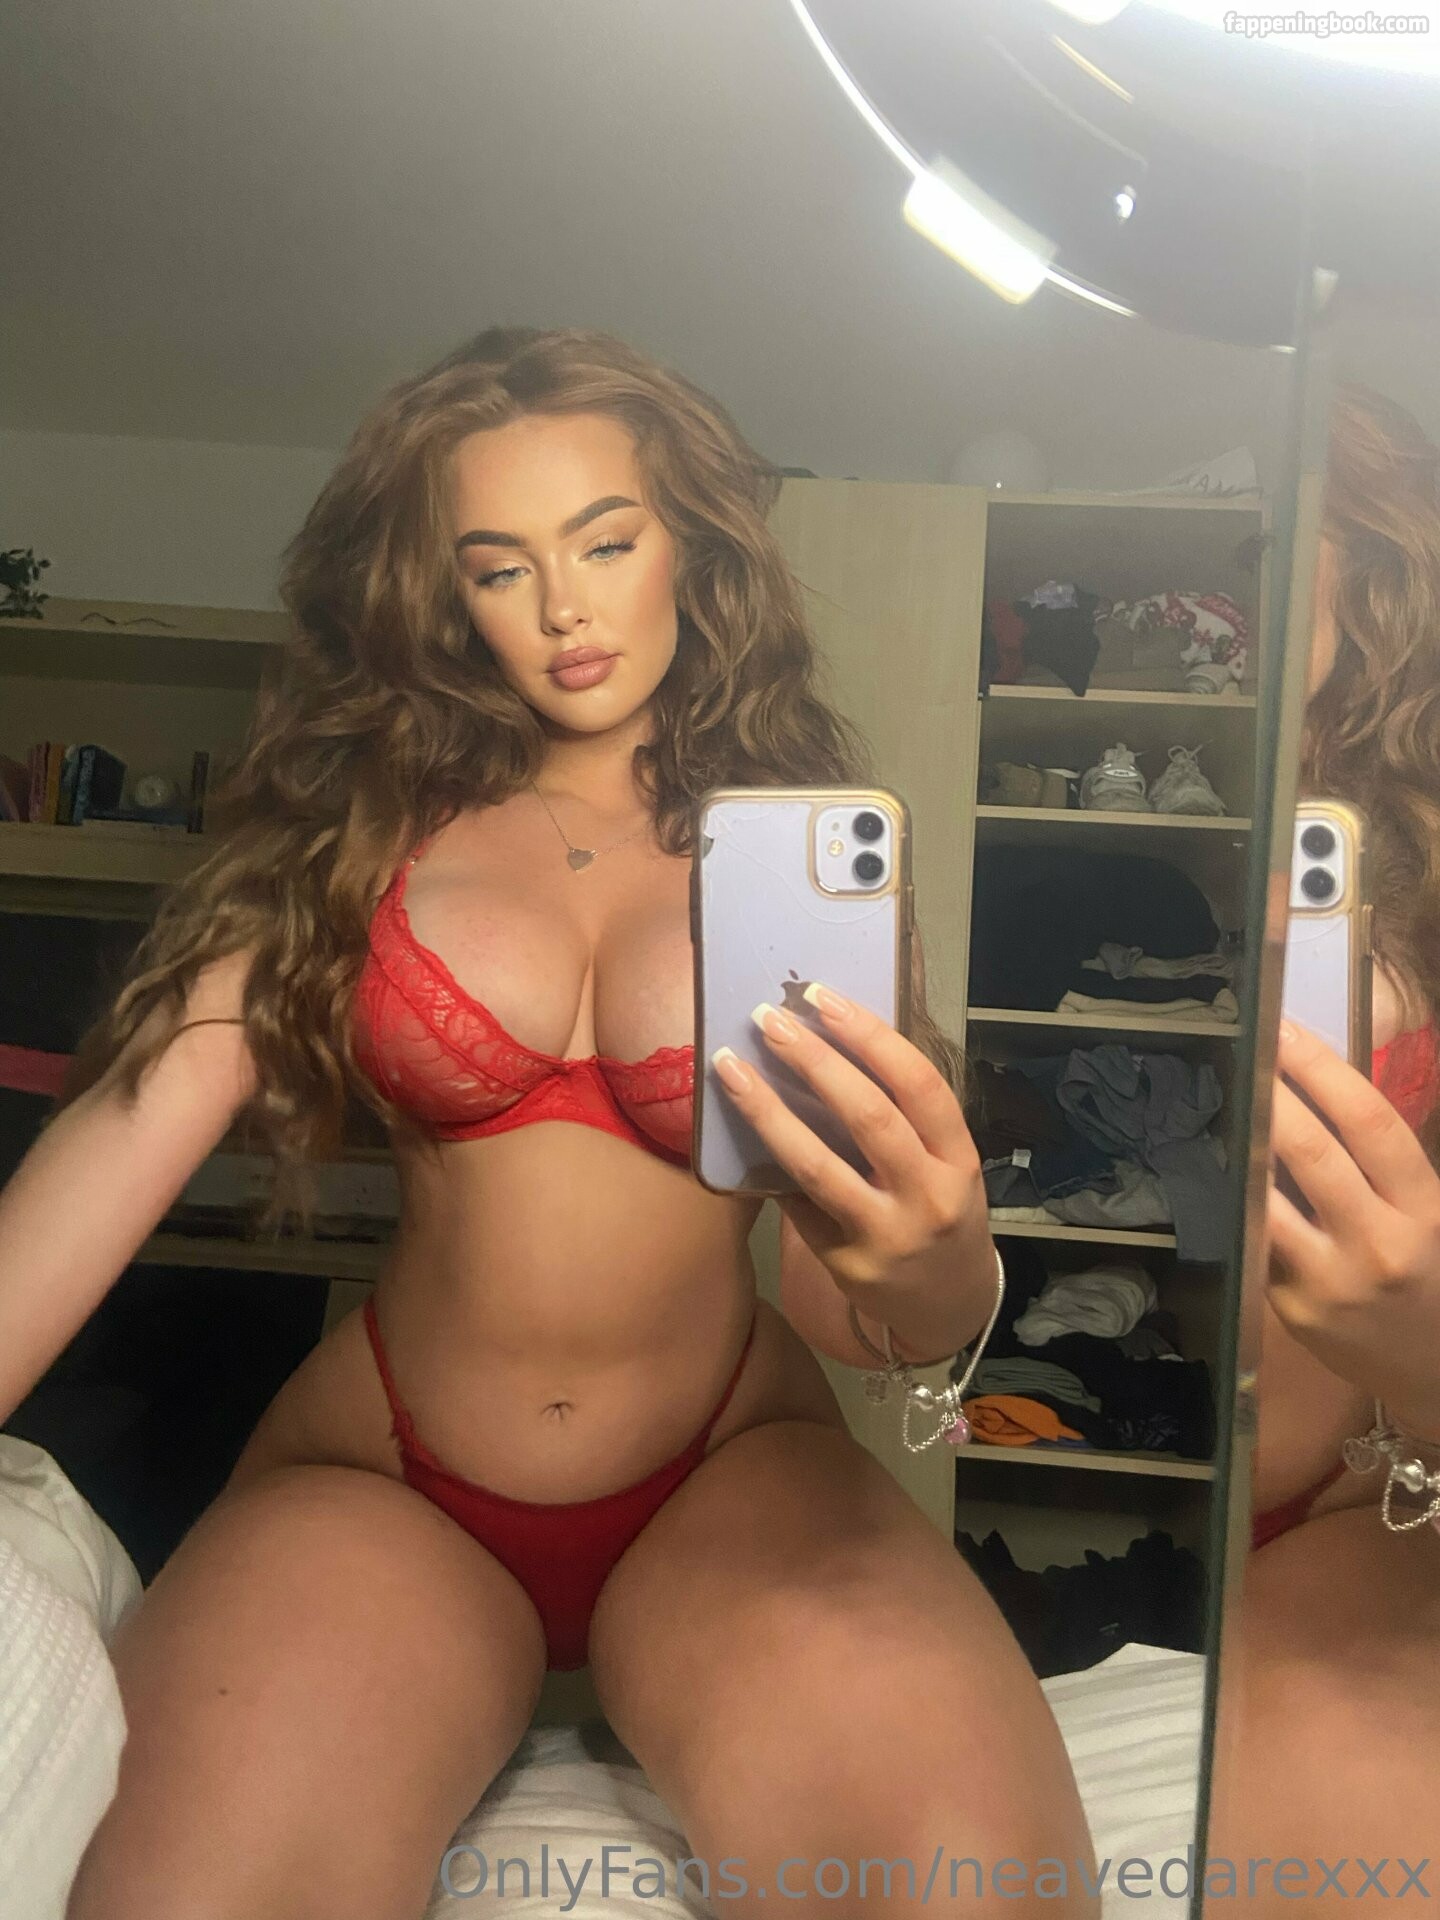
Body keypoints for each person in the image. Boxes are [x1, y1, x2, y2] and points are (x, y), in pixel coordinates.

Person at [0, 327, 1097, 1917]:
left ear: (692, 546)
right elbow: (105, 1162)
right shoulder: (349, 843)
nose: (565, 608)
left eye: (606, 542)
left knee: (966, 1897)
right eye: (501, 566)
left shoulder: (804, 865)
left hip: (730, 1466)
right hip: (389, 1479)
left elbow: (872, 1325)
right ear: (446, 595)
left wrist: (939, 1260)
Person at [1207, 384, 1440, 1909]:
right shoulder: (1263, 827)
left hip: (1384, 1500)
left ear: (1370, 576)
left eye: (1282, 536)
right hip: (1216, 1507)